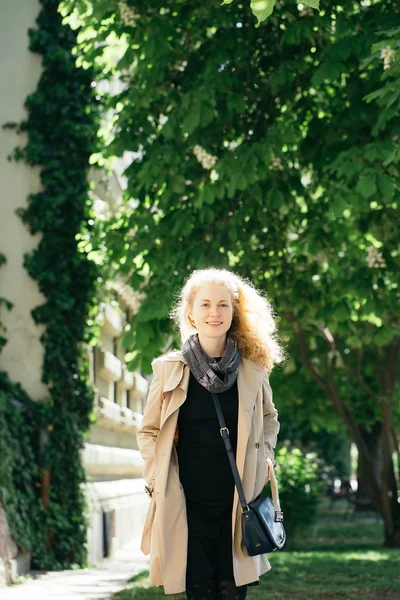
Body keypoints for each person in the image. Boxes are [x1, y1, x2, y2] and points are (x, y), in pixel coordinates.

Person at [136, 268, 284, 599]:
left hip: (237, 501)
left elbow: (269, 418)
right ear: (190, 312)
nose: (213, 313)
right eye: (204, 305)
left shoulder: (253, 369)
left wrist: (265, 462)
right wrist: (156, 474)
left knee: (233, 593)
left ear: (234, 313)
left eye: (222, 305)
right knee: (198, 591)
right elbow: (147, 430)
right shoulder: (169, 369)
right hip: (185, 504)